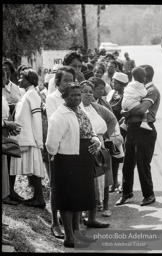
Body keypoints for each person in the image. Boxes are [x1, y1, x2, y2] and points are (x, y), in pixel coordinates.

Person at [46, 84, 101, 248]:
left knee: (79, 199)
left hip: (83, 160)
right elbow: (50, 145)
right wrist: (62, 154)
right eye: (73, 96)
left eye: (78, 95)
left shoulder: (80, 111)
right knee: (68, 199)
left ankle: (78, 234)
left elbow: (91, 132)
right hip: (67, 160)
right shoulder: (59, 116)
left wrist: (96, 141)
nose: (77, 98)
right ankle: (69, 237)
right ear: (64, 97)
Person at [116, 65, 160, 206]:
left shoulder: (152, 90)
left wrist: (127, 112)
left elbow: (142, 109)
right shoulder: (136, 87)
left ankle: (149, 194)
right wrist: (124, 111)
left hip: (145, 130)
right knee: (128, 163)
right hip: (132, 128)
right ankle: (126, 192)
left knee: (142, 164)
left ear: (145, 76)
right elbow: (125, 105)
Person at [79, 80, 117, 224]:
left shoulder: (97, 108)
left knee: (103, 177)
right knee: (88, 181)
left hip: (100, 145)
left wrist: (105, 135)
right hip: (86, 147)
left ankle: (96, 213)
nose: (88, 94)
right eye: (85, 91)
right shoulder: (78, 109)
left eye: (90, 91)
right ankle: (84, 213)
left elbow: (112, 119)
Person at [45, 66, 76, 239]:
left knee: (71, 186)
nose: (69, 83)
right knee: (56, 186)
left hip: (73, 148)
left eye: (72, 80)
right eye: (66, 80)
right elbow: (53, 122)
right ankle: (55, 223)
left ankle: (70, 223)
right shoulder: (52, 98)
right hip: (57, 148)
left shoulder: (74, 96)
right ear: (57, 82)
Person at [10, 68, 46, 209]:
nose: (19, 80)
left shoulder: (32, 95)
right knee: (30, 168)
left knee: (35, 168)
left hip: (30, 139)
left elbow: (37, 120)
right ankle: (35, 197)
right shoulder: (27, 94)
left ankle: (40, 199)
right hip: (23, 138)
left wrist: (39, 141)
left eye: (21, 78)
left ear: (29, 80)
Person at [88, 77, 119, 217]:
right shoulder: (86, 105)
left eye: (103, 88)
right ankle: (94, 206)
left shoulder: (102, 104)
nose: (101, 91)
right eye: (98, 89)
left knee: (105, 174)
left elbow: (112, 119)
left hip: (102, 142)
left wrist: (107, 135)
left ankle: (105, 205)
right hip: (90, 143)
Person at [2, 68, 22, 206]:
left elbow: (7, 112)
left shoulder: (3, 96)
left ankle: (6, 194)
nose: (6, 79)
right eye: (4, 76)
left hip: (4, 132)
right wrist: (6, 123)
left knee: (4, 166)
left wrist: (10, 126)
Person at [106, 72, 129, 193]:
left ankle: (124, 183)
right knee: (113, 157)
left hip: (123, 130)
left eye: (115, 82)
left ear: (122, 84)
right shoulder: (111, 94)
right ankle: (114, 182)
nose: (113, 84)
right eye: (113, 81)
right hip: (112, 129)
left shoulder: (126, 96)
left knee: (123, 157)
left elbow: (128, 111)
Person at [120, 67, 152, 131]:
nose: (145, 78)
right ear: (137, 77)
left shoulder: (130, 83)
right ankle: (144, 122)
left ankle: (124, 123)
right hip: (131, 103)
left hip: (124, 103)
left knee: (127, 111)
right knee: (145, 111)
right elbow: (144, 94)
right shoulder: (140, 85)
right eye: (143, 76)